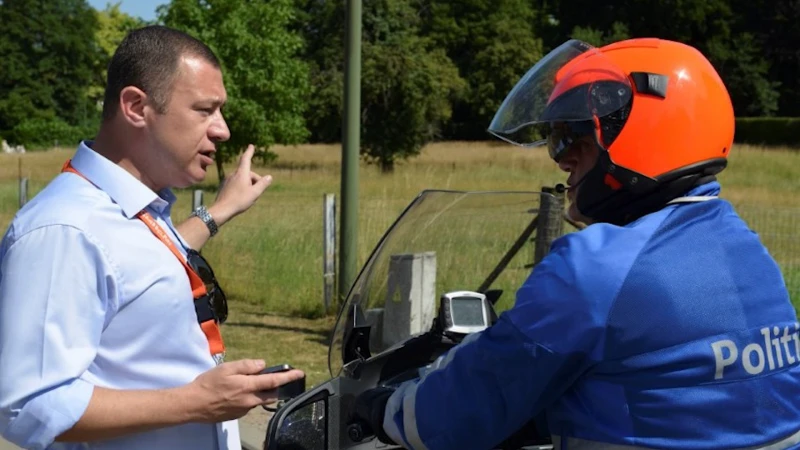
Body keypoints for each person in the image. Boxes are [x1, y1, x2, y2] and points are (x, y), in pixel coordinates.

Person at [354, 38, 800, 449]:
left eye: (573, 136)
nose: (560, 156)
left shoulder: (597, 267)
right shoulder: (746, 248)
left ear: (647, 130)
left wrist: (386, 410)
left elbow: (460, 408)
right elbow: (672, 394)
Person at [0, 25, 303, 450]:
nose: (223, 130)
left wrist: (220, 210)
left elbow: (142, 266)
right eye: (205, 110)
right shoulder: (62, 230)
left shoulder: (132, 211)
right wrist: (198, 402)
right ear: (136, 107)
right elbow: (29, 404)